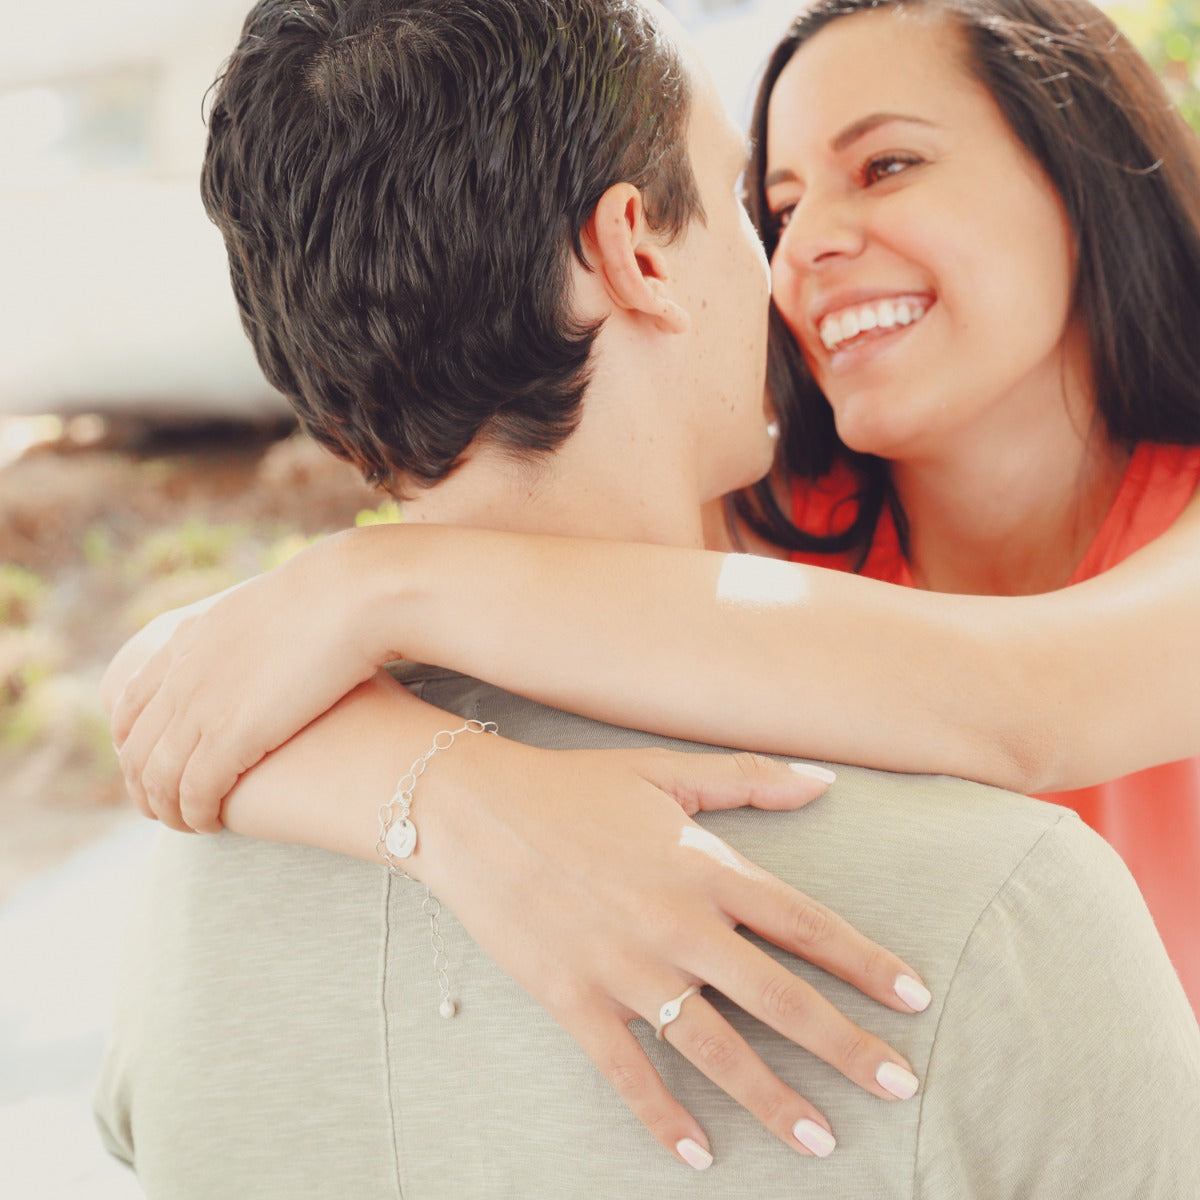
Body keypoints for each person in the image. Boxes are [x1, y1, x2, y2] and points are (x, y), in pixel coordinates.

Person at [97, 1, 1200, 1195]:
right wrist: (461, 799)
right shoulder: (775, 531)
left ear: (1081, 171)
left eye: (886, 163)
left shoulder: (743, 581)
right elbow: (183, 681)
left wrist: (379, 574)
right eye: (765, 205)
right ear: (637, 253)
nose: (800, 247)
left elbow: (1025, 705)